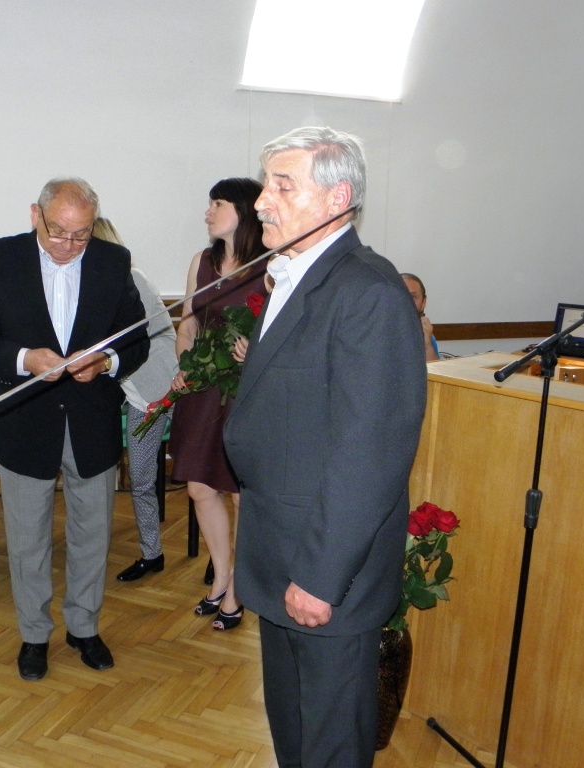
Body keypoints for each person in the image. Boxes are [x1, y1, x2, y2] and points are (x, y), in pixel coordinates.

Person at [223, 127, 427, 767]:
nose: (262, 201)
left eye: (283, 186)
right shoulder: (297, 276)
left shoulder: (368, 292)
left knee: (331, 744)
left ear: (338, 198)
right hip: (281, 549)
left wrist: (319, 576)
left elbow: (370, 453)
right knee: (294, 733)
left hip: (324, 569)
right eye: (266, 185)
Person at [0, 179, 149, 681]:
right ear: (35, 216)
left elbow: (137, 340)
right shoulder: (1, 258)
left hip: (92, 420)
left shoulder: (112, 260)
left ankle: (84, 627)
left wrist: (106, 362)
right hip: (27, 420)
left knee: (93, 534)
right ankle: (34, 635)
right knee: (27, 540)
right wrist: (25, 359)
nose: (69, 245)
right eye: (59, 232)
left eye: (81, 235)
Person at [167, 177, 269, 631]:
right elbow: (188, 324)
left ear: (243, 210)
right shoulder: (202, 261)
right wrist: (185, 363)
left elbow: (285, 331)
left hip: (247, 391)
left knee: (241, 493)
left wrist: (257, 349)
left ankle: (239, 586)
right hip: (203, 387)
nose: (208, 212)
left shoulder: (271, 265)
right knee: (200, 488)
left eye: (218, 203)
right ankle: (222, 572)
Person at [91, 218, 179, 583]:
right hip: (136, 394)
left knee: (183, 479)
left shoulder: (133, 279)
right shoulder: (96, 287)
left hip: (164, 390)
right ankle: (152, 553)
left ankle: (199, 557)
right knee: (140, 478)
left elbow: (145, 339)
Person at [401, 272, 440, 361]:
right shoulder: (374, 331)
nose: (406, 302)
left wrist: (427, 345)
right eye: (400, 295)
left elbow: (434, 369)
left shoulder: (426, 334)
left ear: (423, 303)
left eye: (413, 297)